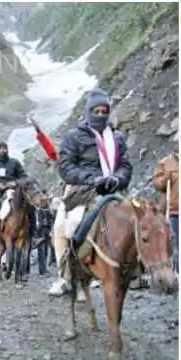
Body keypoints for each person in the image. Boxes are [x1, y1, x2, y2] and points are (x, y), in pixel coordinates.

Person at [48, 88, 133, 297]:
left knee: (138, 222)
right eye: (97, 111)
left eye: (105, 111)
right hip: (81, 189)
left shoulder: (117, 137)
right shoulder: (73, 137)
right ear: (88, 112)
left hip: (113, 188)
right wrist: (92, 179)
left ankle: (137, 271)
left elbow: (126, 166)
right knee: (63, 227)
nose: (101, 115)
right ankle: (65, 275)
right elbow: (66, 167)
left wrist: (117, 178)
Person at [153, 150, 179, 274]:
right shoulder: (165, 163)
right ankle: (176, 274)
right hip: (175, 211)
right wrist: (165, 178)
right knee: (176, 246)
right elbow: (157, 184)